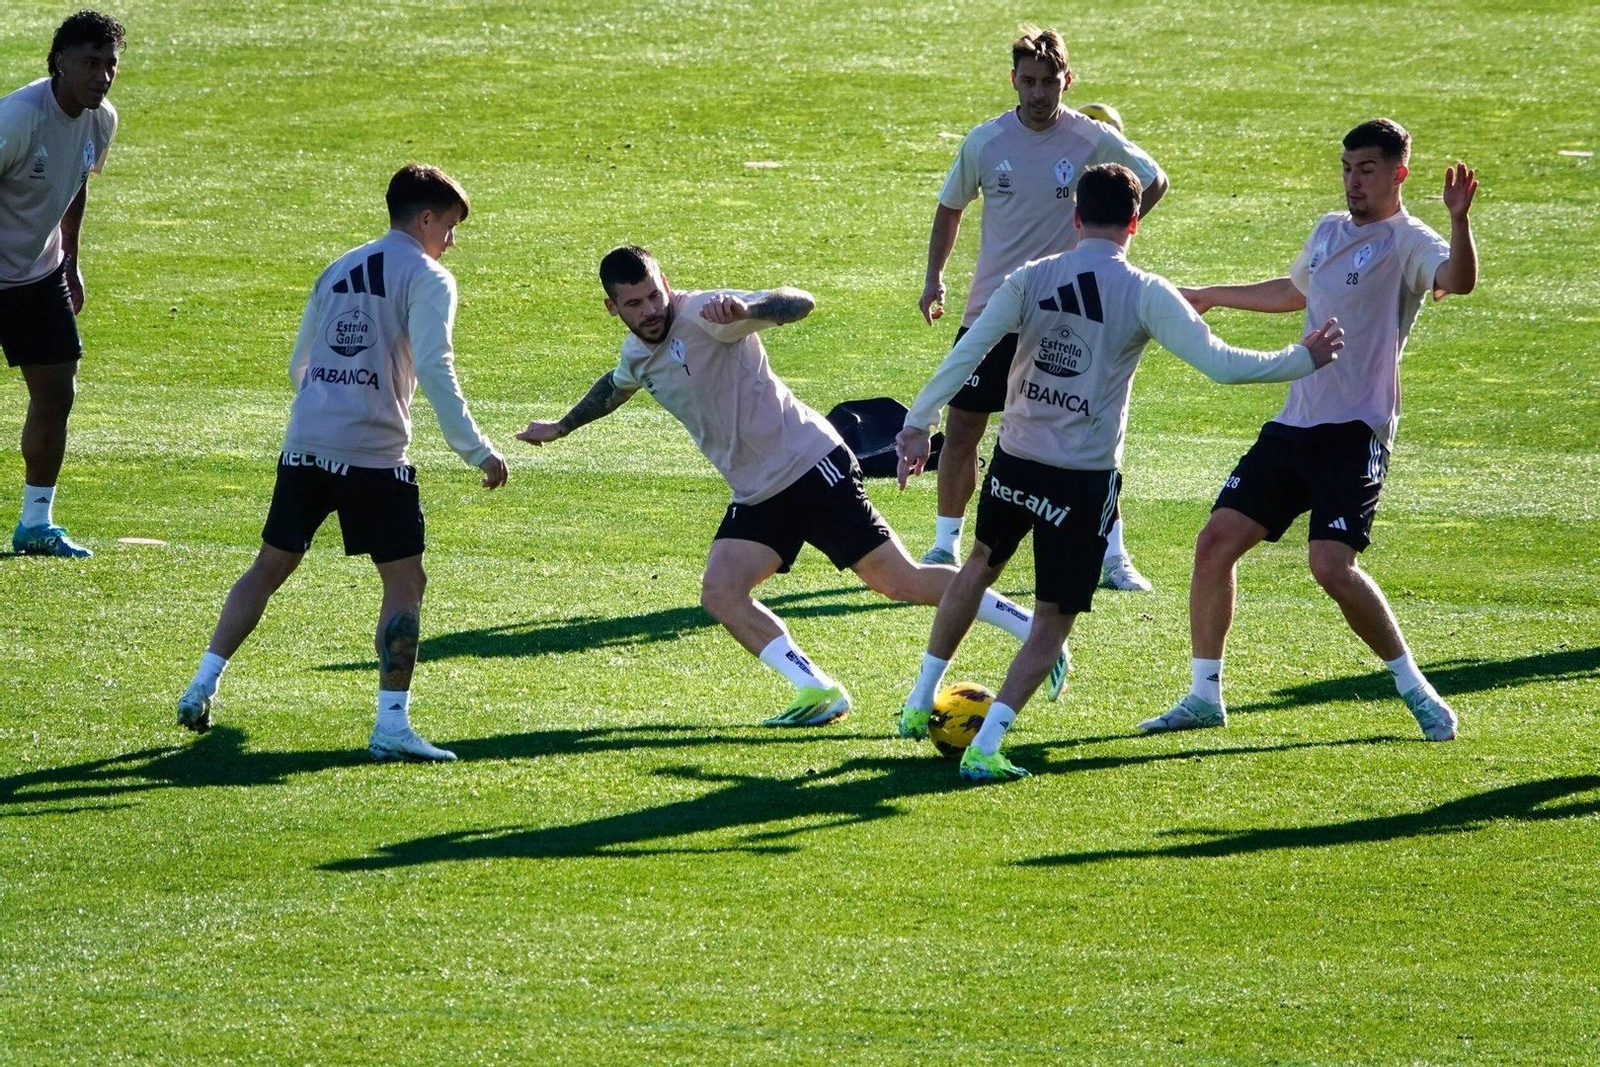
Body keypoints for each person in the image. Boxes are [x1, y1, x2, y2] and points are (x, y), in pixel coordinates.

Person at [895, 164, 1344, 782]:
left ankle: (920, 701)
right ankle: (987, 744)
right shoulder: (1145, 291)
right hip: (1079, 477)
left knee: (977, 564)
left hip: (1015, 458)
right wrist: (1304, 357)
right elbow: (1223, 367)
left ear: (1075, 216)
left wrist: (918, 423)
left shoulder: (1030, 277)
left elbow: (967, 353)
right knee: (1052, 617)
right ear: (1135, 222)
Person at [516, 245, 1066, 726]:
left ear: (666, 285)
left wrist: (750, 310)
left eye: (655, 295)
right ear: (613, 307)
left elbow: (799, 302)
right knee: (721, 591)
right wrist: (561, 427)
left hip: (810, 466)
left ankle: (1033, 632)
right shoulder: (638, 352)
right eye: (633, 304)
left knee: (898, 581)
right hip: (757, 492)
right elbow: (616, 386)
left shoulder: (710, 313)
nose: (650, 311)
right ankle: (816, 689)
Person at [1142, 119, 1477, 742]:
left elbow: (1456, 281)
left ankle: (1415, 688)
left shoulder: (1411, 241)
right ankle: (1202, 695)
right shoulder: (1327, 229)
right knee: (1215, 541)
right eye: (1348, 169)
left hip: (1354, 430)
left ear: (1399, 173)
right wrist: (1213, 295)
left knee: (1331, 566)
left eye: (1367, 170)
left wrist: (1459, 220)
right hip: (1295, 421)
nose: (1354, 181)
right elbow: (1297, 293)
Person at [175, 164, 509, 762]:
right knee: (406, 584)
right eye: (451, 227)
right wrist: (476, 449)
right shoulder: (428, 278)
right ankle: (391, 726)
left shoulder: (339, 267)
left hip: (306, 440)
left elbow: (298, 364)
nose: (452, 242)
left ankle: (202, 683)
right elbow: (435, 367)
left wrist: (327, 405)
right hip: (376, 457)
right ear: (426, 218)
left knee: (270, 567)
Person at [917, 24, 1168, 593]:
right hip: (991, 307)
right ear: (1013, 80)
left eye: (1048, 82)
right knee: (963, 426)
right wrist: (934, 278)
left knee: (1082, 431)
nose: (1037, 94)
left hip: (1066, 313)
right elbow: (950, 207)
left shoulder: (1091, 137)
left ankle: (1114, 559)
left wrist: (1106, 241)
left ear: (1067, 81)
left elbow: (1154, 180)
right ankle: (944, 544)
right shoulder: (985, 142)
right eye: (1027, 82)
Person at [0, 11, 124, 558]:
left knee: (57, 392)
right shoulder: (19, 118)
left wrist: (69, 261)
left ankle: (35, 523)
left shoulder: (101, 120)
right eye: (90, 64)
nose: (101, 76)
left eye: (110, 65)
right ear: (60, 63)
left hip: (38, 272)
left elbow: (77, 181)